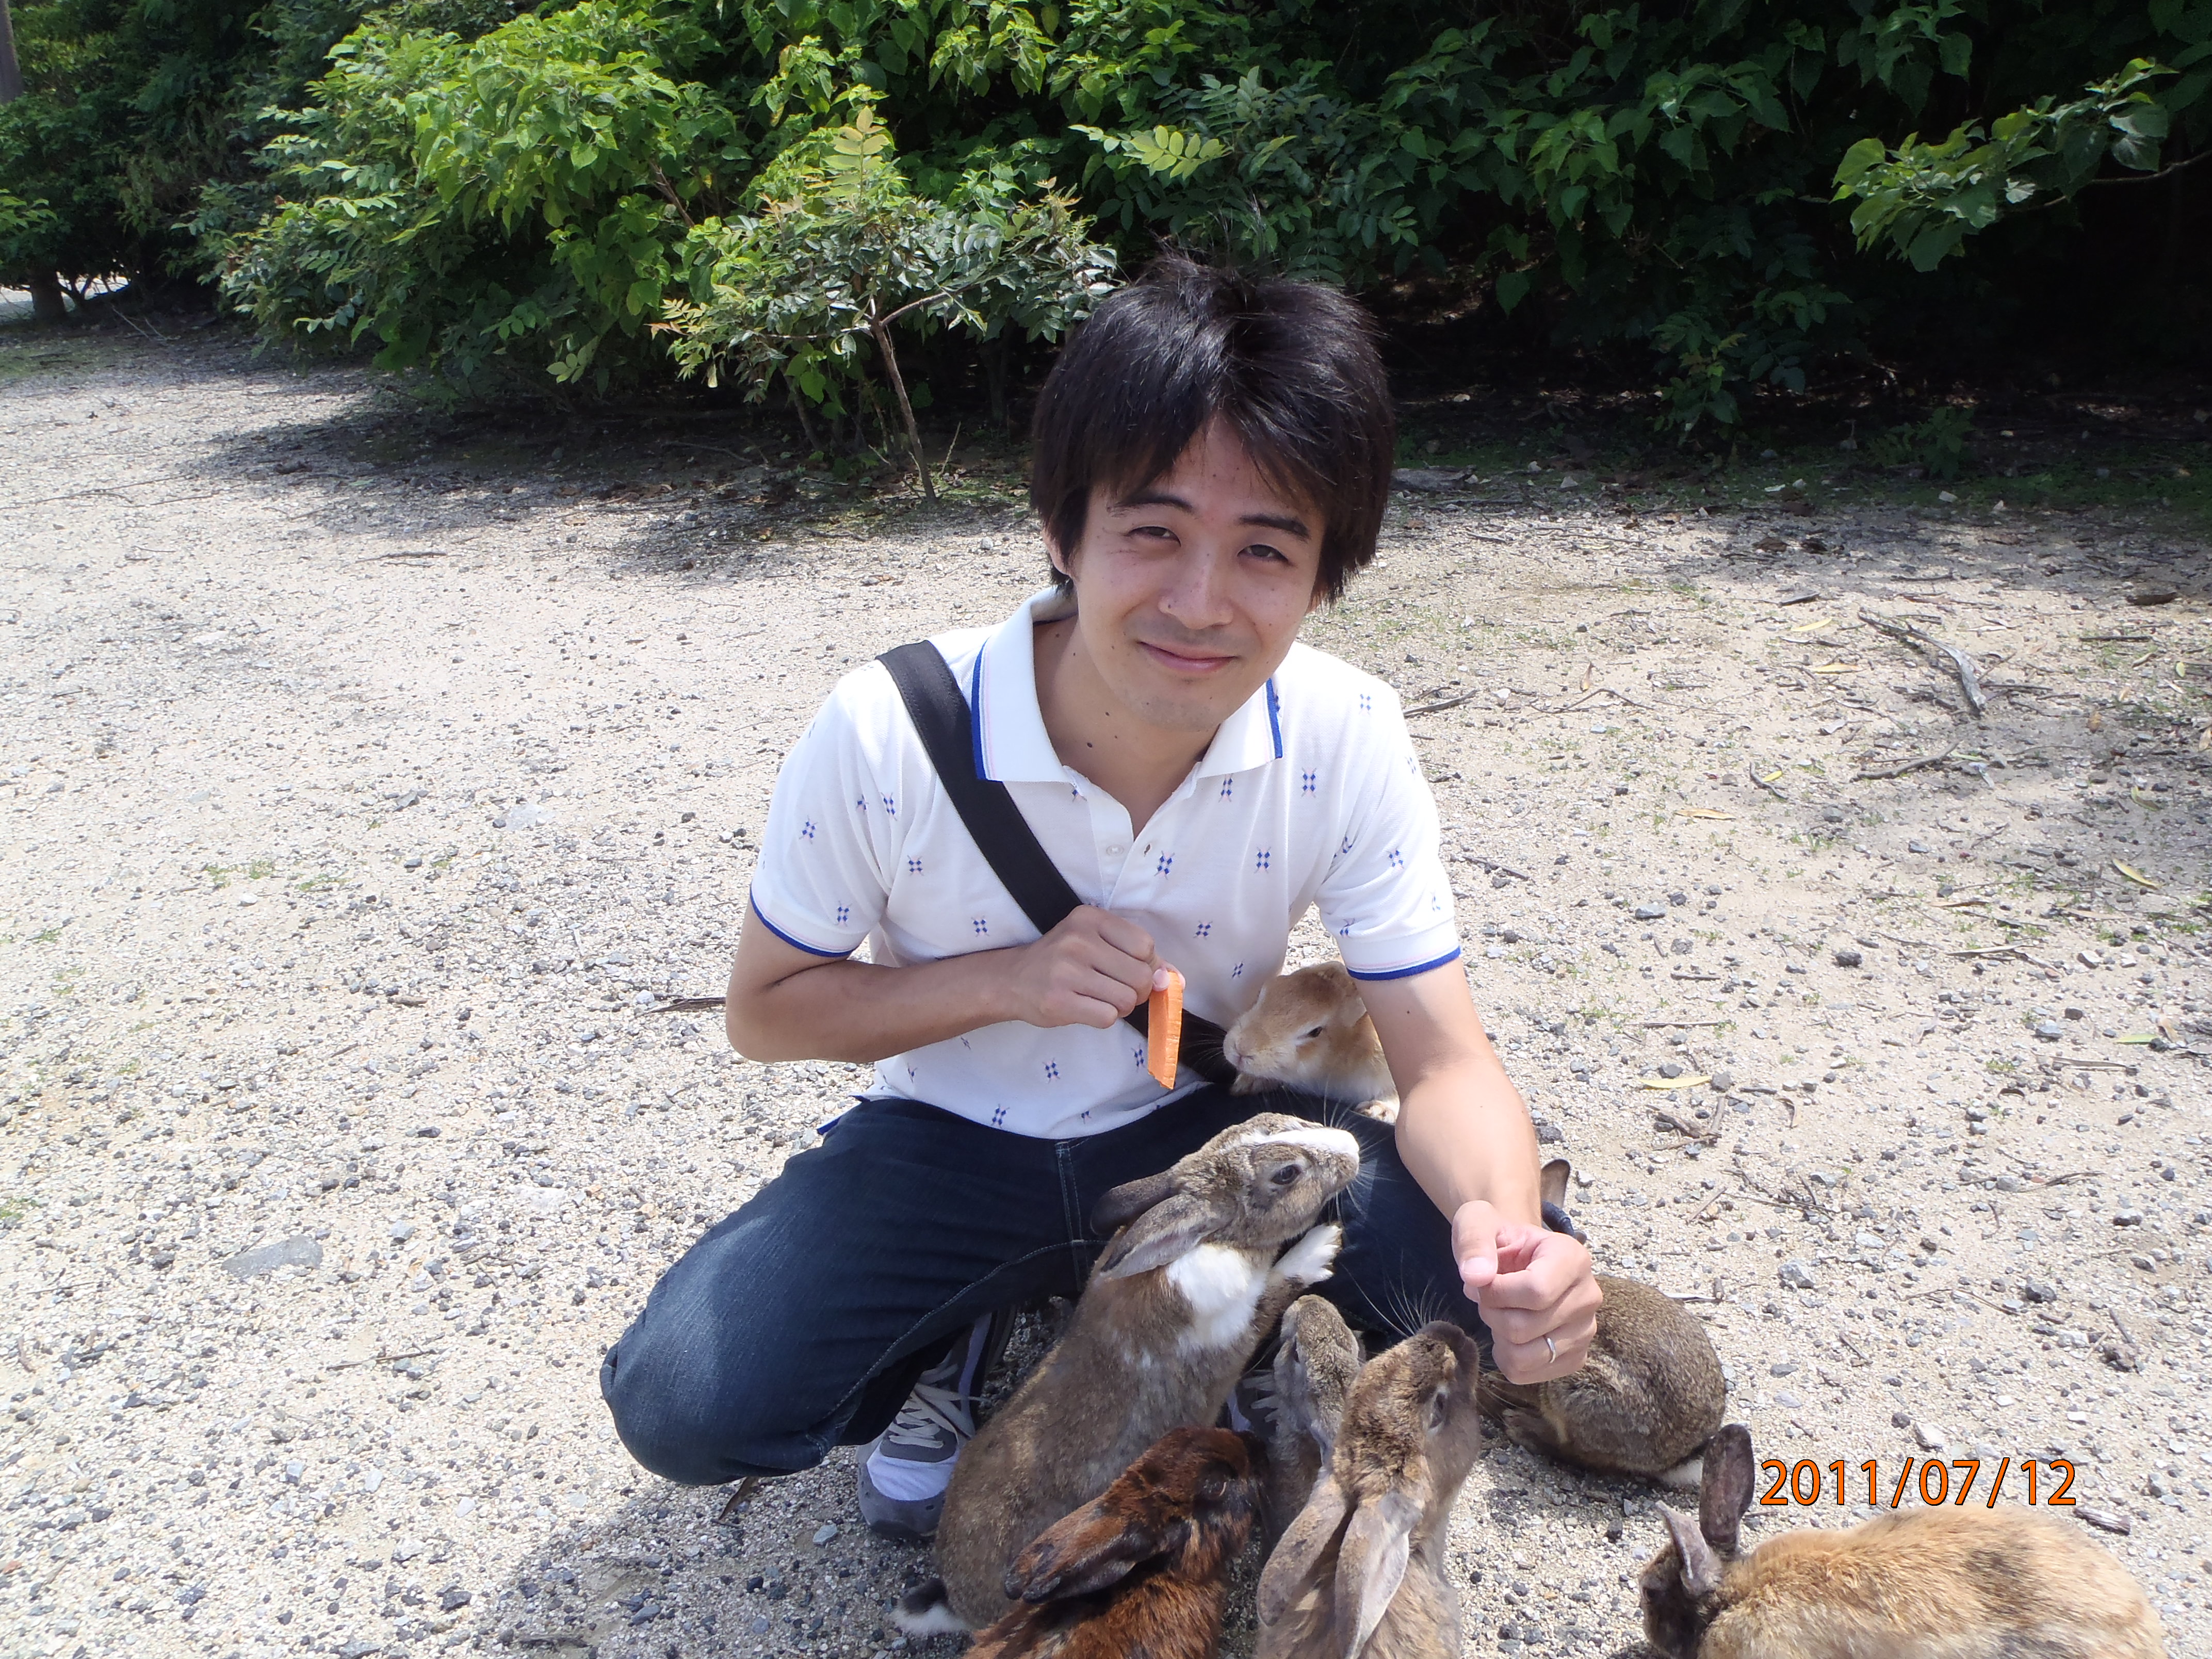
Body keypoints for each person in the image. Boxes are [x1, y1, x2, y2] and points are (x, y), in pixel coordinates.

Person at [598, 256, 1601, 1541]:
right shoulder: (891, 727)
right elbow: (766, 1012)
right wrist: (1000, 983)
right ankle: (979, 1328)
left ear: (1324, 573)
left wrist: (1507, 1238)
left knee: (1479, 1288)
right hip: (948, 1140)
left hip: (1205, 1133)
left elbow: (1444, 1057)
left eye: (1262, 550)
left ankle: (1182, 1314)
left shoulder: (1346, 730)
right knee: (687, 1400)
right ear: (1061, 530)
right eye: (1151, 532)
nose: (1198, 601)